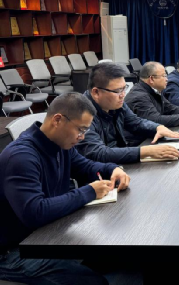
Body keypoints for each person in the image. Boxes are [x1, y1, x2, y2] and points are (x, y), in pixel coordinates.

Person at [0, 93, 130, 284]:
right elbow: (35, 212)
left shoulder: (60, 144)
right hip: (14, 250)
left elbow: (86, 166)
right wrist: (90, 191)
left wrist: (112, 169)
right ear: (58, 120)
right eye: (80, 129)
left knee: (115, 256)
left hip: (47, 232)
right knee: (93, 282)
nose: (82, 136)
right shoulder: (20, 157)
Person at [76, 63, 179, 164]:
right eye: (118, 91)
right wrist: (144, 151)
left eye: (124, 88)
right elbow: (98, 153)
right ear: (96, 92)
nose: (123, 95)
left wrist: (157, 127)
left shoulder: (116, 104)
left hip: (118, 162)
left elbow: (136, 122)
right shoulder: (81, 113)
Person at [125, 61, 179, 132]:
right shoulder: (139, 96)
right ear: (151, 79)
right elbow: (155, 120)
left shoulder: (154, 90)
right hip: (139, 139)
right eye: (163, 76)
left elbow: (169, 107)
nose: (167, 79)